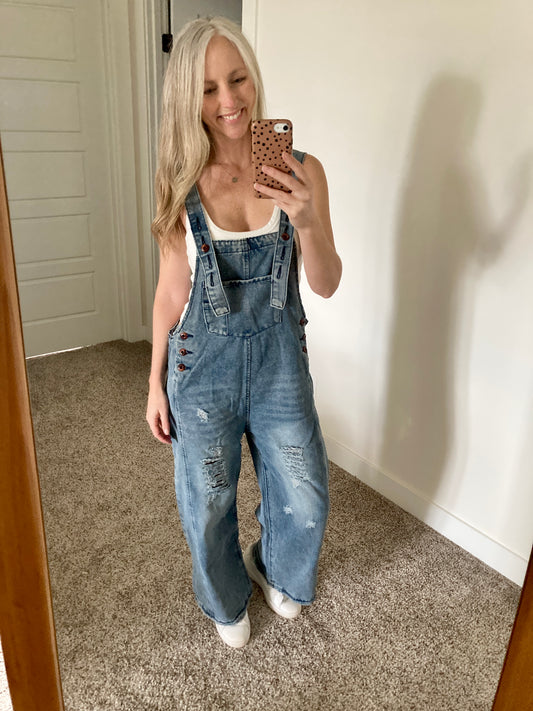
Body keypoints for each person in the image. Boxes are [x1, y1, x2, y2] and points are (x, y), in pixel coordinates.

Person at [146, 16, 342, 649]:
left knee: (305, 492)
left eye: (238, 79)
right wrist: (154, 381)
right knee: (206, 499)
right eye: (208, 89)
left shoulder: (302, 170)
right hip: (202, 371)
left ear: (254, 77)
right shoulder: (181, 181)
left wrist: (307, 220)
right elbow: (172, 292)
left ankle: (272, 565)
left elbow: (327, 283)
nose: (229, 101)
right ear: (189, 98)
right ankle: (225, 597)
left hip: (281, 364)